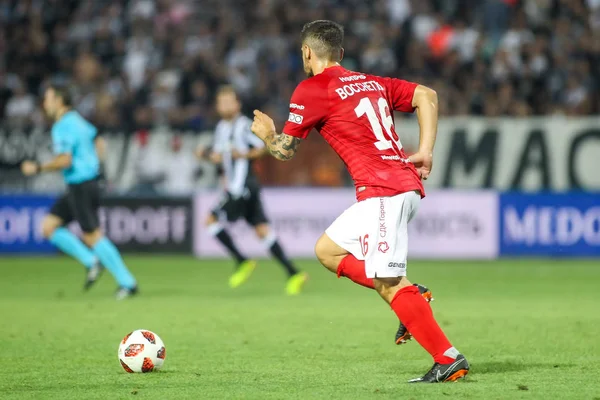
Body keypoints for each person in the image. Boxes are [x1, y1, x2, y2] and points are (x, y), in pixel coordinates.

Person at [250, 20, 469, 383]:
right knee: (327, 251)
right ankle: (414, 296)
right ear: (341, 53)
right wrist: (426, 151)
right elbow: (427, 95)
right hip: (399, 187)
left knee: (388, 283)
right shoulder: (373, 82)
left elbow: (285, 152)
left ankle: (448, 358)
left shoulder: (311, 89)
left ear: (307, 52)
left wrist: (268, 135)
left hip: (384, 193)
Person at [21, 85, 138, 300]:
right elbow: (99, 141)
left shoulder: (62, 126)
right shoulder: (79, 120)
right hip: (85, 182)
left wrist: (37, 168)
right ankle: (91, 261)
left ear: (59, 100)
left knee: (92, 235)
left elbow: (66, 160)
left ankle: (127, 282)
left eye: (47, 99)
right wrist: (98, 168)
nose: (44, 104)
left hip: (81, 184)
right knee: (48, 226)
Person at [196, 86, 308, 295]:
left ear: (237, 104)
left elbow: (264, 147)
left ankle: (242, 261)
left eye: (229, 101)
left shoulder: (245, 125)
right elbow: (221, 157)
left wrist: (244, 155)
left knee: (210, 221)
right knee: (262, 231)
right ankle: (294, 273)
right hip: (241, 187)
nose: (225, 105)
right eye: (221, 102)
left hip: (242, 186)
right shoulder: (222, 127)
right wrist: (205, 154)